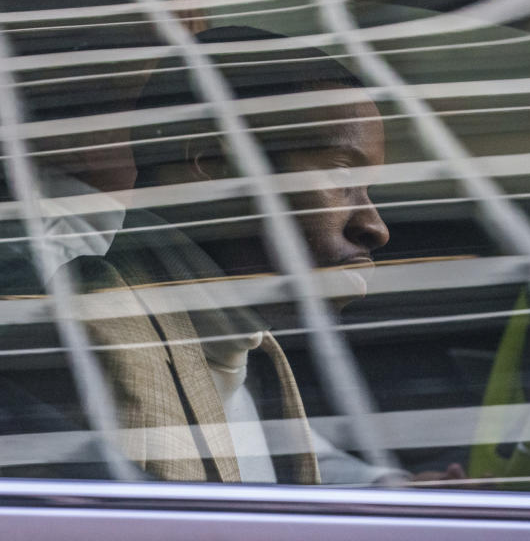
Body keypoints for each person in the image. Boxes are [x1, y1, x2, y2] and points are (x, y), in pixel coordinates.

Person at [62, 26, 417, 484]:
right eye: (338, 173)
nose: (375, 227)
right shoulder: (101, 345)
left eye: (368, 192)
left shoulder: (252, 353)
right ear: (214, 165)